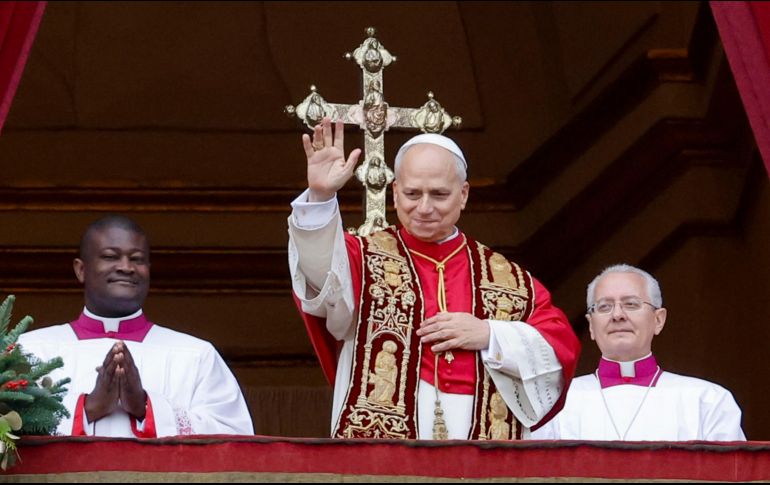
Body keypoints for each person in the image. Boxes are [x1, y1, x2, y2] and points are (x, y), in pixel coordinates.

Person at [288, 117, 580, 440]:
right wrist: (320, 199)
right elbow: (321, 278)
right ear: (395, 192)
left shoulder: (509, 280)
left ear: (464, 195)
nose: (424, 208)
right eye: (413, 193)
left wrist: (489, 334)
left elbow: (560, 351)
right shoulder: (362, 258)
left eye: (439, 194)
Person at [18, 215, 253, 437]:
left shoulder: (196, 355)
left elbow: (233, 440)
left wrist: (145, 406)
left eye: (137, 259)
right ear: (81, 270)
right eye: (110, 256)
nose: (126, 267)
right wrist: (88, 409)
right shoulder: (30, 351)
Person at [532, 264, 745, 441]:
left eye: (631, 304)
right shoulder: (555, 404)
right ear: (591, 326)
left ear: (658, 320)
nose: (617, 315)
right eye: (604, 307)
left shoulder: (707, 401)